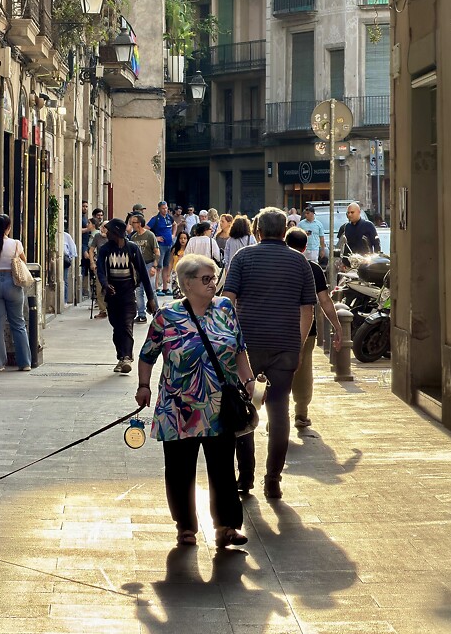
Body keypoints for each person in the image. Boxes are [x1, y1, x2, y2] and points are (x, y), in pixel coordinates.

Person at [135, 253, 255, 548]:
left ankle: (226, 526)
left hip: (219, 407)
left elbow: (239, 348)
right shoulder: (167, 316)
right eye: (206, 278)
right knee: (179, 471)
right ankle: (186, 527)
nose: (212, 283)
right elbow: (147, 354)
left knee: (223, 469)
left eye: (214, 277)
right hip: (178, 408)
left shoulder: (225, 309)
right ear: (187, 283)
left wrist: (249, 381)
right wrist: (143, 386)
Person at [223, 207, 316, 499]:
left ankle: (245, 476)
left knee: (245, 407)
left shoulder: (242, 257)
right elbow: (308, 311)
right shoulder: (299, 262)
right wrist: (298, 346)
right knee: (279, 411)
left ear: (257, 231)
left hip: (245, 348)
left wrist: (227, 338)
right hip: (285, 346)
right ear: (284, 231)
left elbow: (227, 301)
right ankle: (273, 479)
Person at [285, 228, 343, 428]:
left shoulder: (275, 266)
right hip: (306, 329)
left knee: (277, 372)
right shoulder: (313, 268)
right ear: (304, 247)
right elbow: (325, 300)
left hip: (278, 328)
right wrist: (336, 325)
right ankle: (301, 412)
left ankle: (277, 415)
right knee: (303, 371)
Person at [97, 218, 157, 374]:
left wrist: (150, 298)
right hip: (112, 294)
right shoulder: (105, 249)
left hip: (128, 294)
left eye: (108, 230)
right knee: (116, 327)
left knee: (126, 324)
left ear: (116, 233)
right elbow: (100, 271)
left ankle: (126, 357)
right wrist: (105, 284)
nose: (106, 233)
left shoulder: (132, 249)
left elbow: (143, 272)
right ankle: (121, 356)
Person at [0, 214, 32, 372]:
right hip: (12, 283)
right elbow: (23, 261)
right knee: (18, 323)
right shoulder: (16, 244)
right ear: (8, 228)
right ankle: (24, 362)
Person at [129, 213, 160, 324]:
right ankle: (141, 315)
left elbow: (157, 252)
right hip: (138, 266)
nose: (132, 224)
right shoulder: (133, 237)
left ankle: (156, 312)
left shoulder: (149, 235)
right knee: (139, 290)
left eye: (134, 222)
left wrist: (154, 266)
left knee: (151, 289)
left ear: (140, 223)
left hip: (148, 264)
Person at [147, 200, 176, 296]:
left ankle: (165, 287)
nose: (165, 210)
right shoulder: (155, 219)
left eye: (166, 208)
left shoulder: (169, 218)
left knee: (166, 266)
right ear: (159, 209)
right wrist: (156, 237)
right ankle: (156, 287)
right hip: (160, 246)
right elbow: (146, 229)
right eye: (163, 208)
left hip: (169, 244)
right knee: (159, 266)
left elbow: (175, 224)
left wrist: (173, 235)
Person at [88, 222, 109, 319]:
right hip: (100, 265)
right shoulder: (97, 236)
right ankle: (103, 310)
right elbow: (91, 250)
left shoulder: (112, 236)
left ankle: (111, 308)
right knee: (100, 287)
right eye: (102, 227)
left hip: (111, 266)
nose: (103, 229)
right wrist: (92, 262)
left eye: (105, 227)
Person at [170, 230, 190, 295]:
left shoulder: (189, 250)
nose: (183, 240)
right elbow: (171, 262)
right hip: (175, 273)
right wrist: (168, 275)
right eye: (181, 238)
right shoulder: (174, 249)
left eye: (185, 238)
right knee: (176, 294)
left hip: (186, 273)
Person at [62, 230, 78, 305]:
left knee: (64, 279)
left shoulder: (66, 236)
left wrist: (69, 258)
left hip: (65, 259)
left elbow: (73, 248)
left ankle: (64, 300)